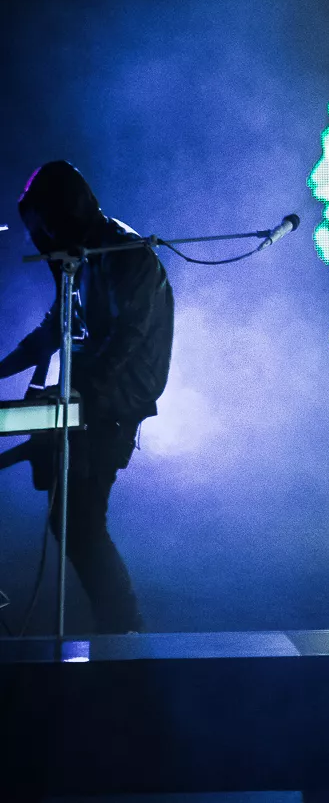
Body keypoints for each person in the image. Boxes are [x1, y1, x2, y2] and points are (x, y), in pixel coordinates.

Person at [0, 161, 173, 634]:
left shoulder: (126, 254)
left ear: (62, 213)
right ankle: (122, 633)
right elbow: (55, 329)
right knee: (72, 522)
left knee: (78, 522)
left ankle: (126, 636)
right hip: (91, 400)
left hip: (115, 406)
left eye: (43, 224)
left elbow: (128, 339)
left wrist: (78, 389)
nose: (41, 238)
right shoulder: (78, 256)